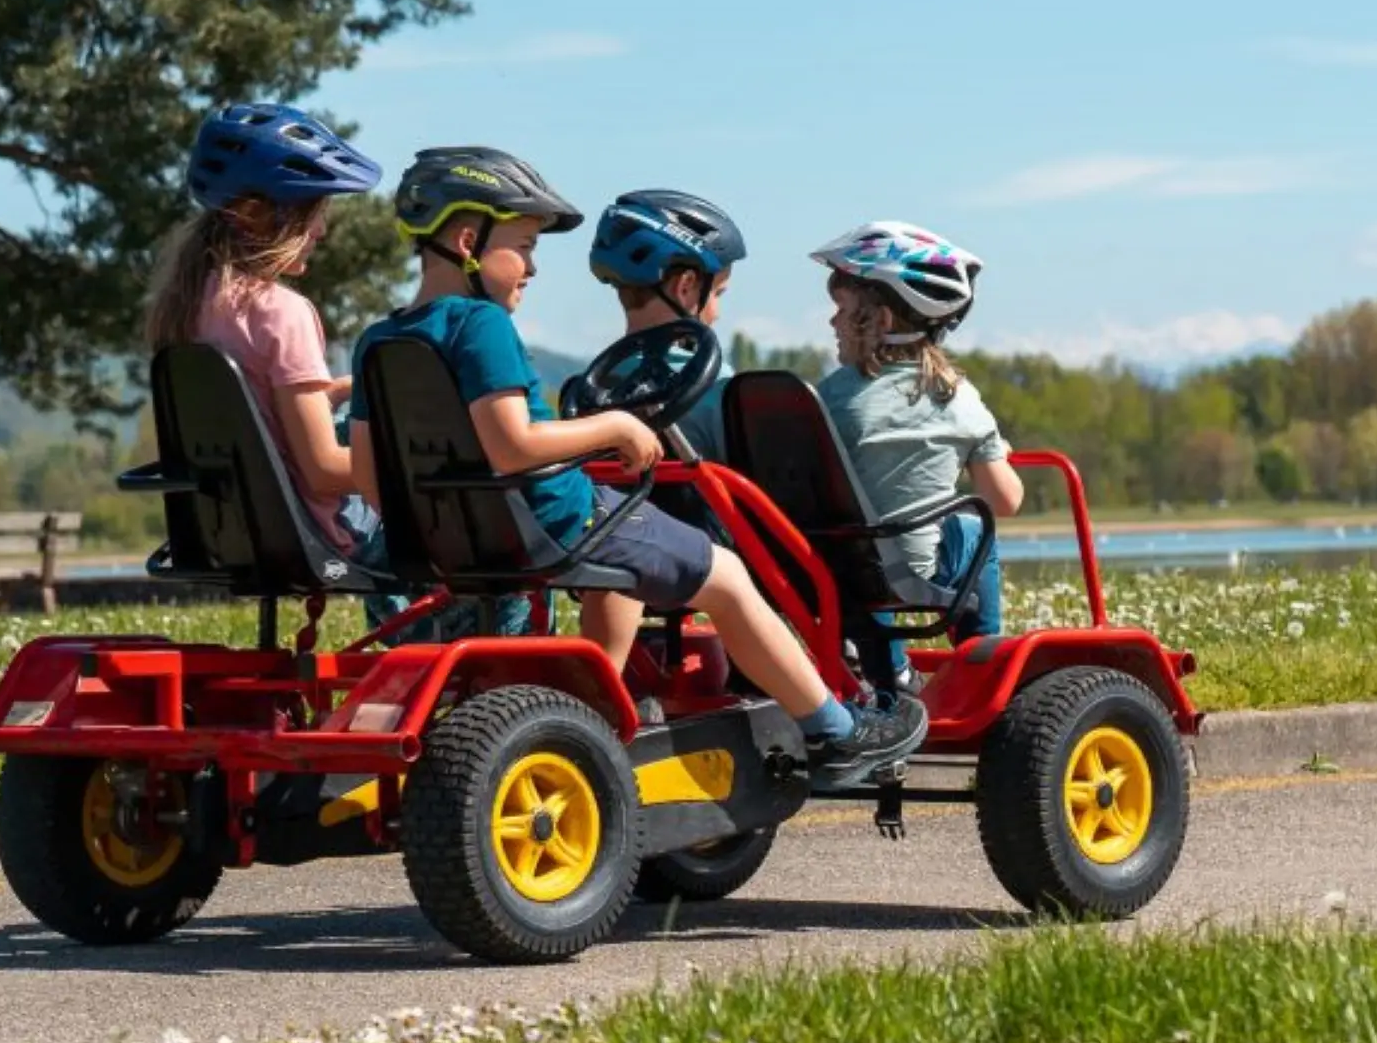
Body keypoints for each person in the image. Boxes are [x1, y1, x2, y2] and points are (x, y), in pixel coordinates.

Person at [345, 147, 929, 790]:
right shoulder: (481, 323)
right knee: (728, 577)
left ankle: (596, 717)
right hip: (562, 520)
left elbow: (371, 475)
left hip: (460, 541)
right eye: (525, 246)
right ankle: (835, 731)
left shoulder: (381, 340)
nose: (532, 267)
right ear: (467, 242)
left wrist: (452, 521)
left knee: (624, 569)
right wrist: (617, 428)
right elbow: (512, 445)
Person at [144, 102, 381, 554]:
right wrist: (411, 468)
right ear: (255, 213)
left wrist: (331, 394)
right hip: (319, 541)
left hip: (232, 538)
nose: (321, 230)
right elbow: (324, 470)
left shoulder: (184, 307)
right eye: (314, 211)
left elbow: (257, 425)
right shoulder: (282, 312)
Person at [810, 221, 1026, 686]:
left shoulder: (826, 398)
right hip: (913, 573)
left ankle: (890, 677)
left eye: (842, 310)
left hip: (828, 573)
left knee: (864, 545)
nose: (832, 323)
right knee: (973, 528)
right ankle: (980, 662)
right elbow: (1005, 500)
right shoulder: (958, 399)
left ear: (883, 321)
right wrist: (993, 454)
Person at [587, 189, 745, 463]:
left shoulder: (590, 389)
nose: (717, 313)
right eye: (717, 294)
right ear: (685, 287)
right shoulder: (718, 386)